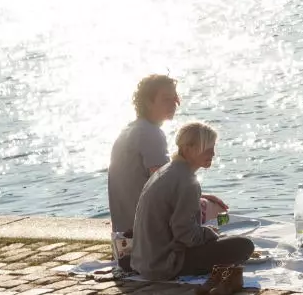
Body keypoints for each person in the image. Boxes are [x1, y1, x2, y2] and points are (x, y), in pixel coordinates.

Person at [131, 121, 254, 280]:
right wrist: (210, 234)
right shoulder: (187, 181)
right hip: (165, 264)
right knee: (244, 245)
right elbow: (185, 234)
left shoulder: (165, 170)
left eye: (213, 148)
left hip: (144, 260)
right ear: (188, 149)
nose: (213, 154)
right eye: (207, 148)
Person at [108, 75, 226, 236]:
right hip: (145, 231)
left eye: (175, 98)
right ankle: (216, 236)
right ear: (148, 102)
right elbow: (165, 187)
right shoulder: (150, 133)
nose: (173, 104)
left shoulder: (130, 130)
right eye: (166, 99)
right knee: (218, 211)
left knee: (204, 203)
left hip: (124, 229)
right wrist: (199, 198)